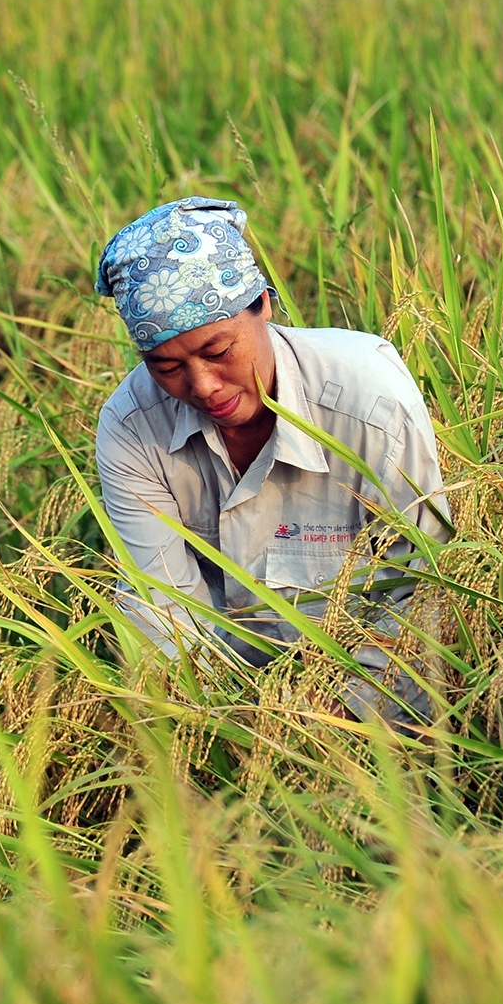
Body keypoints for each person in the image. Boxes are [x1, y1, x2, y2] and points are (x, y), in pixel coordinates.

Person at [92, 197, 450, 718]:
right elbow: (164, 610)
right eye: (166, 367)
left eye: (218, 352)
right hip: (223, 710)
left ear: (262, 303)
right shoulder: (132, 428)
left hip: (378, 703)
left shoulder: (371, 405)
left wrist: (331, 721)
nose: (203, 386)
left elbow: (422, 588)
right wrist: (233, 730)